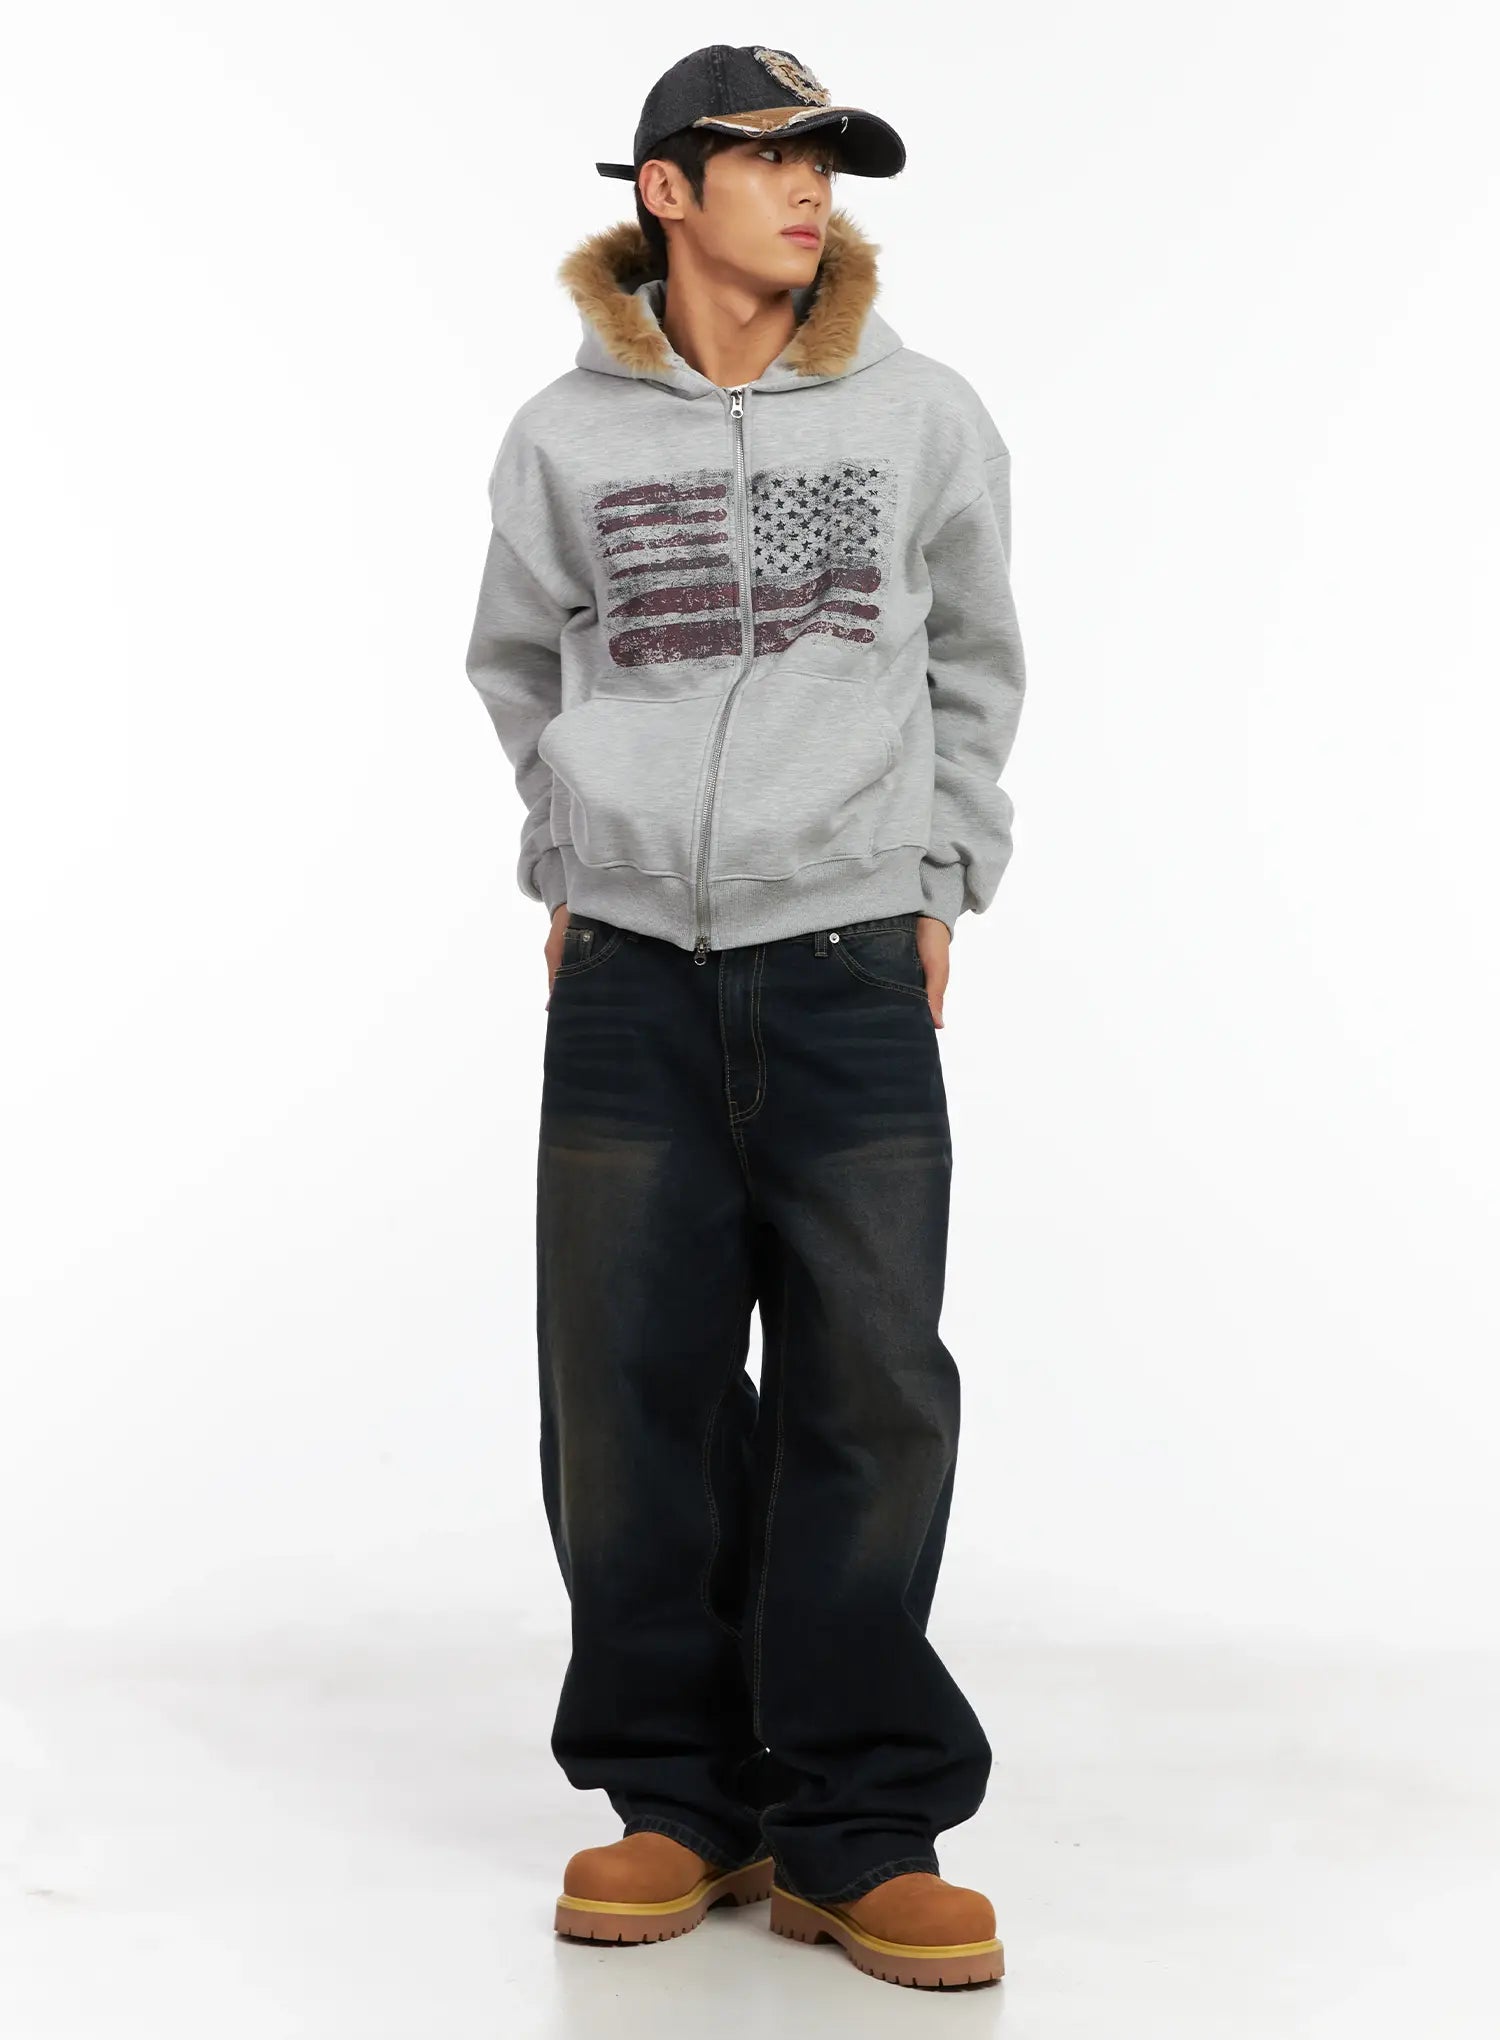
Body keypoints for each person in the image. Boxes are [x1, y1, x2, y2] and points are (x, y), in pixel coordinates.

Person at [464, 43, 1026, 1992]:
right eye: (770, 158)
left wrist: (937, 877)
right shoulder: (561, 436)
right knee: (629, 1401)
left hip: (850, 964)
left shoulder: (922, 416)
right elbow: (519, 664)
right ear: (665, 190)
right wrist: (574, 856)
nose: (810, 192)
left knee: (873, 1393)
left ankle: (859, 1823)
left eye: (827, 164)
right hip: (627, 979)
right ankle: (682, 1800)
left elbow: (975, 664)